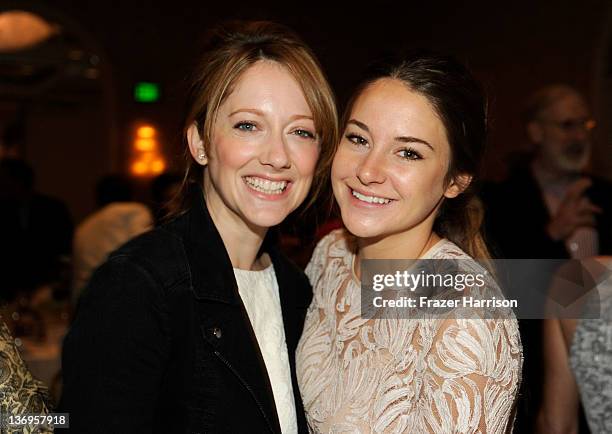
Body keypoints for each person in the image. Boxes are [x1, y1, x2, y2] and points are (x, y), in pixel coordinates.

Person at [59, 21, 338, 433]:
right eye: (248, 125)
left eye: (300, 131)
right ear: (200, 143)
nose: (278, 156)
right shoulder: (139, 285)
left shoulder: (298, 287)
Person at [296, 54, 523, 433]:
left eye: (408, 153)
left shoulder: (465, 317)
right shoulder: (331, 254)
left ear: (456, 180)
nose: (367, 171)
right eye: (358, 138)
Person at [482, 84, 612, 433]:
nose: (578, 136)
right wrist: (552, 234)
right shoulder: (499, 200)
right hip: (531, 368)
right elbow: (492, 285)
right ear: (536, 132)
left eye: (586, 125)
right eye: (567, 125)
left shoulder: (606, 194)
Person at [72, 174, 153, 304]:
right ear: (131, 194)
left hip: (86, 301)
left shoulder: (84, 226)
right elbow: (146, 253)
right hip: (120, 298)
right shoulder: (134, 212)